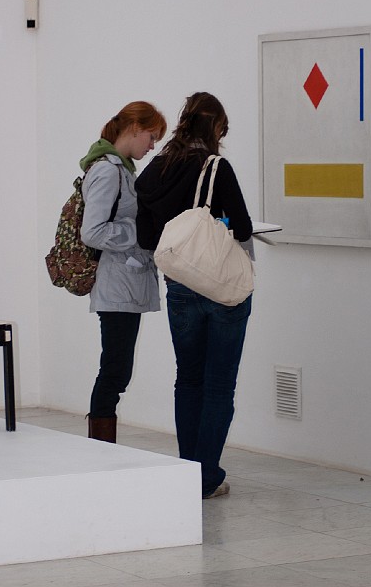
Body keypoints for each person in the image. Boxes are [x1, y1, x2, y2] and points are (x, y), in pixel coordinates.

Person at [135, 92, 253, 498]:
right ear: (216, 126)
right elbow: (243, 227)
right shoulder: (216, 167)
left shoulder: (155, 170)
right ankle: (205, 477)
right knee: (219, 385)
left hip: (180, 286)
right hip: (222, 289)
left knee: (188, 379)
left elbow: (147, 237)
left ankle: (188, 473)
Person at [80, 100, 167, 443]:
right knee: (115, 371)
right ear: (134, 128)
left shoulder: (122, 169)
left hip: (124, 283)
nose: (152, 146)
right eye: (151, 136)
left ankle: (103, 445)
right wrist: (139, 232)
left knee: (117, 370)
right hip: (116, 284)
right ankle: (101, 446)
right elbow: (92, 232)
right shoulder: (108, 171)